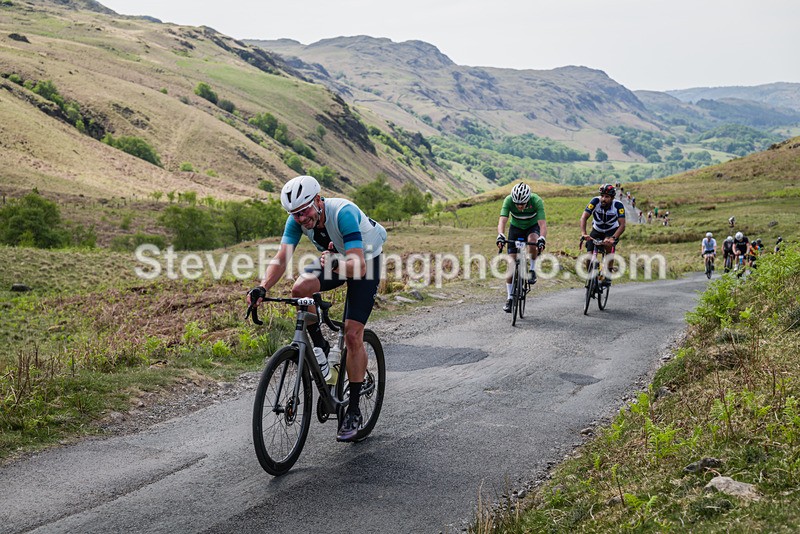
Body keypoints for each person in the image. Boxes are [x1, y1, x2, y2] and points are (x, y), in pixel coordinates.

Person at [247, 175, 387, 442]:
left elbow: (358, 267)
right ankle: (320, 347)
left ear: (318, 201)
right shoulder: (296, 220)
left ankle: (353, 410)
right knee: (300, 289)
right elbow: (282, 257)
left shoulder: (343, 213)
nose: (302, 219)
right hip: (334, 259)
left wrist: (335, 264)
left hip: (364, 262)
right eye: (295, 214)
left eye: (305, 211)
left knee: (352, 334)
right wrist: (262, 287)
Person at [496, 182, 547, 313]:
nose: (519, 206)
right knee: (511, 264)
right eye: (517, 204)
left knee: (532, 241)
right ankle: (509, 298)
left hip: (532, 227)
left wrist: (542, 238)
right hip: (516, 228)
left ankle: (532, 269)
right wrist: (500, 235)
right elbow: (502, 219)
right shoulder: (508, 200)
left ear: (528, 199)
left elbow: (542, 224)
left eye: (522, 204)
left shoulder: (536, 201)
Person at [580, 184, 626, 287]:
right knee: (589, 256)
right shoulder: (595, 201)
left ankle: (608, 275)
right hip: (597, 230)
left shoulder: (618, 205)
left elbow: (622, 225)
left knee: (608, 246)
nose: (603, 199)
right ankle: (591, 279)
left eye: (607, 197)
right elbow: (584, 217)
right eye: (602, 196)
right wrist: (584, 233)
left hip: (611, 230)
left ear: (612, 198)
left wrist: (613, 238)